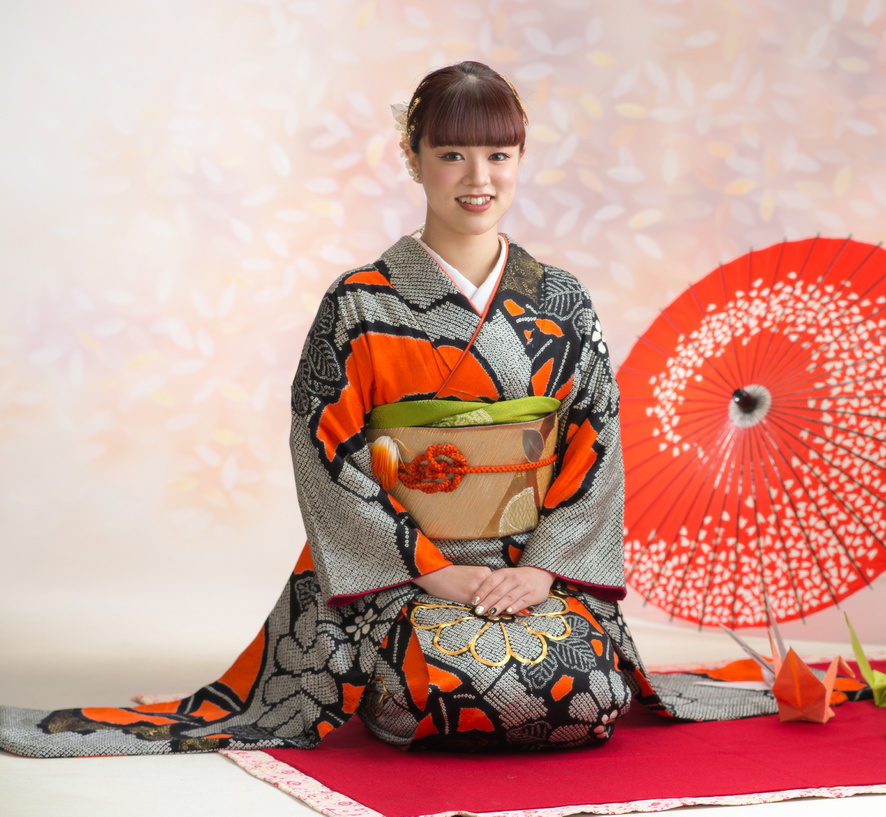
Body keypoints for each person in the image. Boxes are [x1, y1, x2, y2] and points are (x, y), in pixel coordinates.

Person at [0, 62, 776, 759]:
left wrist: (542, 568)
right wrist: (432, 569)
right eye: (453, 154)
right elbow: (324, 443)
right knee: (439, 687)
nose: (479, 177)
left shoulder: (561, 299)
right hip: (402, 576)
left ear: (520, 159)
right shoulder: (361, 302)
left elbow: (594, 436)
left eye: (499, 155)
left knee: (588, 695)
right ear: (413, 156)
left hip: (531, 570)